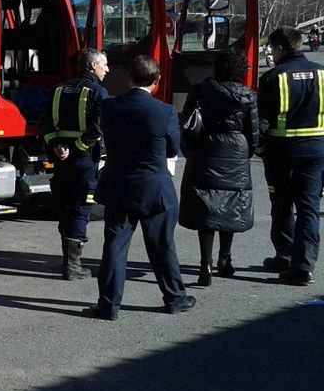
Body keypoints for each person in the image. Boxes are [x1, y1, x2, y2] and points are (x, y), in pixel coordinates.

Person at [86, 55, 195, 320]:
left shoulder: (110, 107)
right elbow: (172, 147)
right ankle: (174, 297)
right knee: (161, 246)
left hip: (118, 184)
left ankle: (109, 304)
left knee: (114, 246)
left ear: (129, 78)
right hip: (154, 187)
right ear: (156, 82)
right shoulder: (165, 111)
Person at [177, 50, 258, 286]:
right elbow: (253, 134)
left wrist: (189, 149)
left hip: (204, 151)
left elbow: (187, 122)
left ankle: (206, 265)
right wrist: (246, 153)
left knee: (206, 209)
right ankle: (226, 259)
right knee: (230, 205)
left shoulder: (201, 90)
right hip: (236, 153)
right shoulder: (248, 96)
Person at [257, 26, 324, 285]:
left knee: (282, 206)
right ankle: (303, 265)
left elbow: (263, 120)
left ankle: (284, 254)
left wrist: (259, 148)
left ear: (281, 49)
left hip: (281, 152)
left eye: (272, 49)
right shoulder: (321, 73)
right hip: (316, 151)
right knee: (309, 209)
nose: (271, 54)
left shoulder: (274, 77)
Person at [39, 48, 109, 280]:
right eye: (104, 65)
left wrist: (57, 146)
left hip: (61, 161)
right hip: (84, 161)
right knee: (80, 209)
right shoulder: (99, 92)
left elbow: (46, 125)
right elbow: (98, 129)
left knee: (65, 208)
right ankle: (73, 266)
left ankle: (67, 262)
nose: (107, 70)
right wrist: (77, 148)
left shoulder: (57, 89)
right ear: (92, 66)